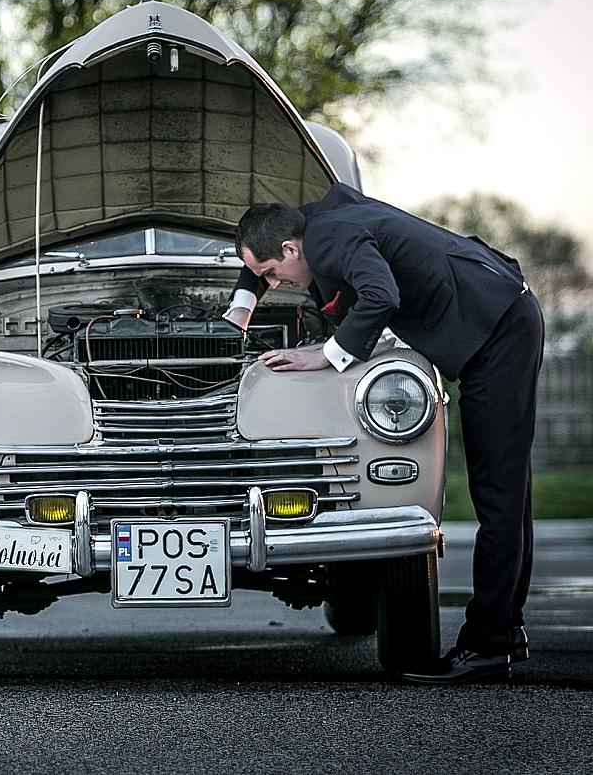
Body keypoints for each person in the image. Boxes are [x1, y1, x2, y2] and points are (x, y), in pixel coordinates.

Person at [225, 183, 544, 685]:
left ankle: (491, 644)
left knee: (499, 492)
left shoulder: (330, 239)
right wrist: (238, 313)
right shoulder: (309, 225)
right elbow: (259, 256)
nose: (275, 284)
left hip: (495, 328)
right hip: (497, 308)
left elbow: (381, 294)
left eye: (272, 274)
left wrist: (324, 354)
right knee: (506, 491)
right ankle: (506, 632)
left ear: (290, 249)